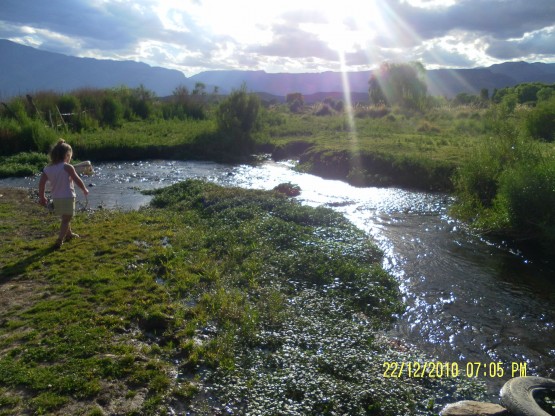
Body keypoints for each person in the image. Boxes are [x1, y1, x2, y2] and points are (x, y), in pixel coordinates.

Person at [38, 139, 89, 249]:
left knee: (65, 218)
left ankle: (69, 234)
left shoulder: (48, 168)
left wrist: (42, 196)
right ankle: (59, 240)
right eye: (70, 156)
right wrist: (84, 189)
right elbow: (77, 179)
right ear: (66, 155)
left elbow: (41, 183)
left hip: (56, 197)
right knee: (67, 219)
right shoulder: (67, 167)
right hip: (68, 196)